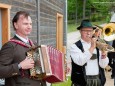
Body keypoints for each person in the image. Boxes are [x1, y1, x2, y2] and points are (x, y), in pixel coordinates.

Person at [0, 11, 46, 86]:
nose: (29, 27)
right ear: (16, 25)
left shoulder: (34, 44)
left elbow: (40, 69)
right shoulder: (10, 46)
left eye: (30, 24)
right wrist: (19, 66)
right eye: (25, 24)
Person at [70, 19, 109, 86]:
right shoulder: (75, 46)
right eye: (85, 30)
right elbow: (80, 61)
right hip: (81, 82)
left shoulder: (98, 44)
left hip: (97, 80)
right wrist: (92, 47)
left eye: (90, 30)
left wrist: (103, 55)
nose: (88, 33)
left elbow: (103, 65)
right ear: (80, 31)